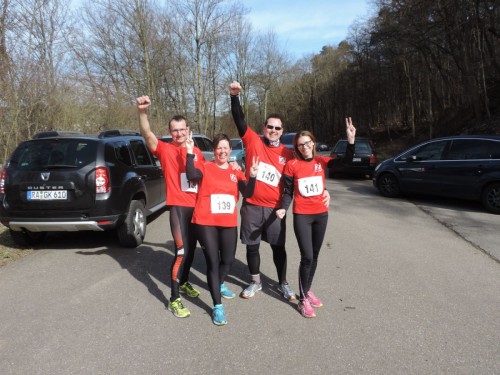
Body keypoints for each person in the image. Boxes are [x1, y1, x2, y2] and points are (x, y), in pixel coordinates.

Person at [229, 81, 331, 300]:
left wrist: (325, 189)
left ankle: (283, 283)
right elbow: (239, 120)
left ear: (282, 131)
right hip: (252, 206)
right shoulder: (253, 141)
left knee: (278, 247)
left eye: (277, 128)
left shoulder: (289, 152)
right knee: (252, 246)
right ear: (264, 128)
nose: (273, 130)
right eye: (270, 126)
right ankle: (255, 281)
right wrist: (234, 97)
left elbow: (308, 169)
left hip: (276, 208)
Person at [276, 119, 356, 318]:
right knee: (307, 257)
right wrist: (284, 208)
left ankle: (307, 289)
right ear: (297, 147)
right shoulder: (291, 165)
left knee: (316, 255)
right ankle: (303, 300)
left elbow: (345, 163)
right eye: (300, 144)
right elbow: (287, 192)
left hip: (321, 214)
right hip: (302, 215)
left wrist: (351, 141)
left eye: (307, 142)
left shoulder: (321, 161)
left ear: (313, 142)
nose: (304, 147)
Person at [136, 95, 204, 319]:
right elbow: (146, 134)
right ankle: (174, 299)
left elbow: (203, 179)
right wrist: (142, 111)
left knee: (191, 251)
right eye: (174, 130)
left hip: (197, 210)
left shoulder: (197, 151)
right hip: (178, 208)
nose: (179, 133)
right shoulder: (164, 149)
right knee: (181, 252)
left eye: (182, 129)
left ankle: (184, 283)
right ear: (170, 131)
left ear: (188, 129)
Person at [185, 132, 259, 325]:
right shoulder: (206, 166)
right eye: (219, 148)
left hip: (227, 223)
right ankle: (217, 306)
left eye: (226, 147)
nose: (223, 151)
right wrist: (189, 152)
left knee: (228, 260)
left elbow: (248, 192)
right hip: (205, 220)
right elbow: (192, 175)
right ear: (214, 150)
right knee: (213, 261)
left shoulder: (235, 171)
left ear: (230, 150)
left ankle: (218, 283)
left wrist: (252, 176)